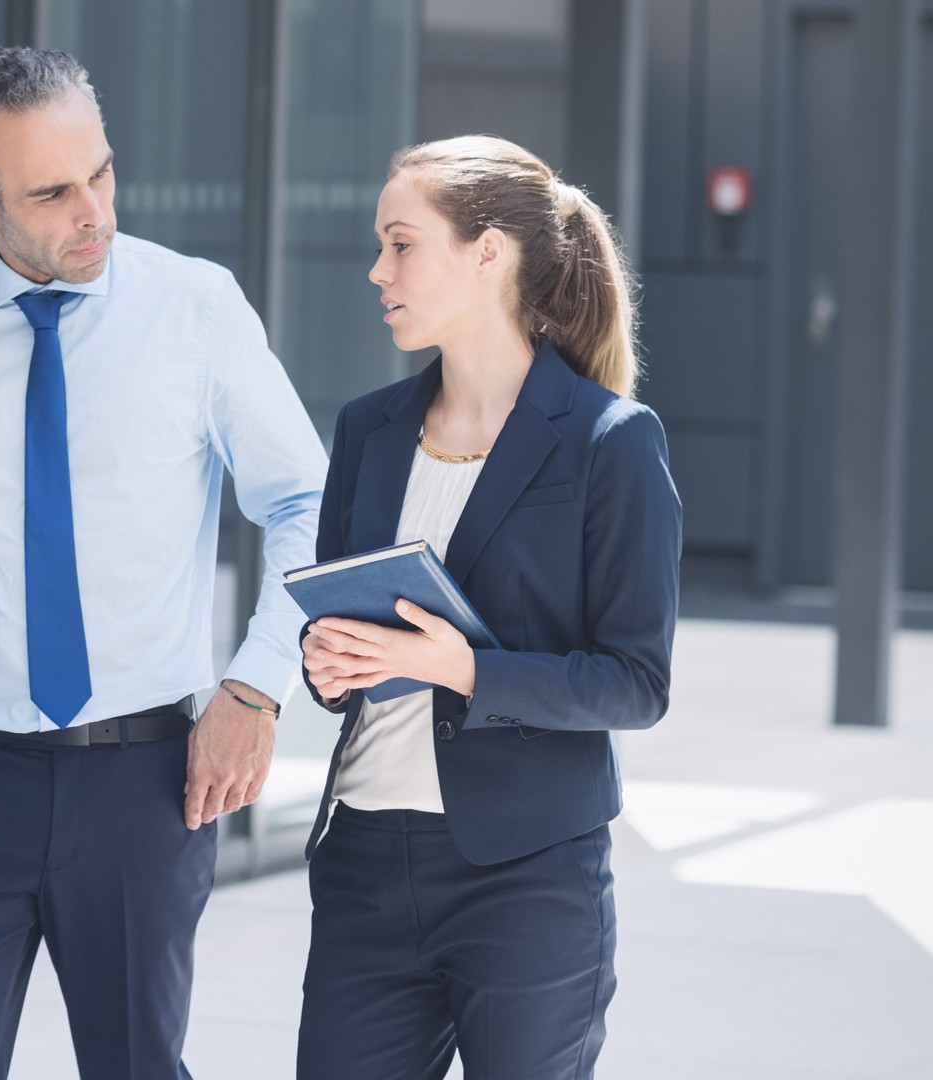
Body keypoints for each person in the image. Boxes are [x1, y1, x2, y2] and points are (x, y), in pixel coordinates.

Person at [0, 46, 327, 1080]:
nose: (92, 209)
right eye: (52, 192)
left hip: (147, 780)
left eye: (100, 172)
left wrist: (256, 687)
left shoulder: (196, 309)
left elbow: (306, 503)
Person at [293, 135, 681, 1079]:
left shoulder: (609, 442)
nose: (377, 270)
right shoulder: (367, 429)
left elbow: (636, 683)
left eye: (401, 244)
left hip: (529, 878)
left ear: (488, 251)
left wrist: (457, 666)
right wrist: (329, 665)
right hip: (366, 860)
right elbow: (341, 635)